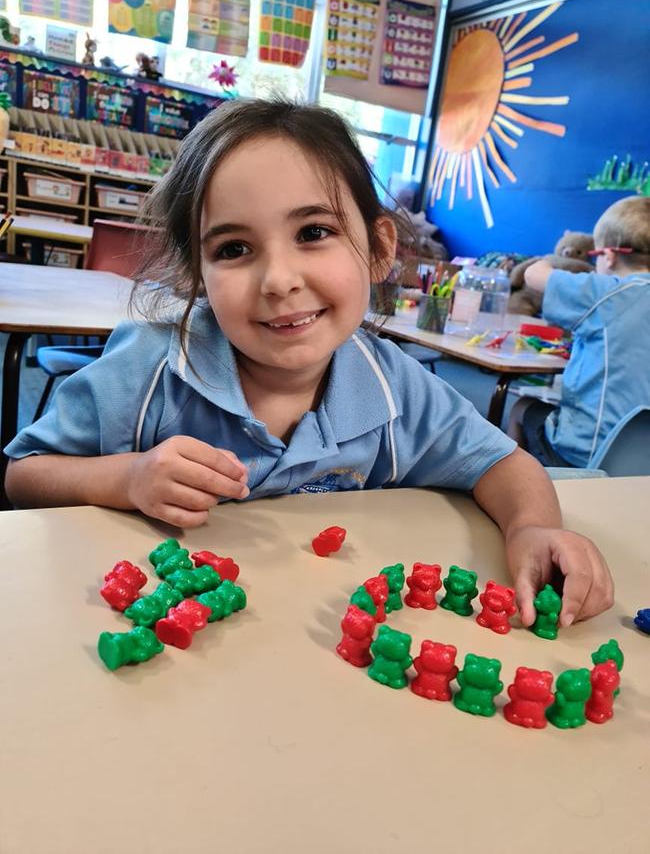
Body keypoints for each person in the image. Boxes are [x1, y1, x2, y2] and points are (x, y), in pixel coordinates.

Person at [4, 99, 613, 628]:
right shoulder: (149, 370)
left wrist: (531, 528)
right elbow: (24, 475)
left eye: (314, 232)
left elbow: (504, 463)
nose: (279, 280)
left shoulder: (394, 386)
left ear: (377, 248)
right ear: (198, 275)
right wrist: (128, 478)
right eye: (234, 249)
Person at [508, 196, 650, 468]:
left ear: (608, 256)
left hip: (588, 451)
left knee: (521, 408)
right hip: (642, 459)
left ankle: (515, 487)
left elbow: (534, 274)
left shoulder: (606, 292)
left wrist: (555, 259)